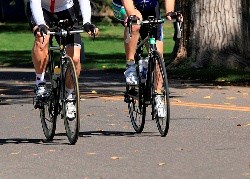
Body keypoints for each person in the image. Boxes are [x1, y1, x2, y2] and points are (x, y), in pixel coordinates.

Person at [26, 0, 99, 118]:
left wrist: (87, 22)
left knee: (75, 58)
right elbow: (35, 2)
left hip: (66, 10)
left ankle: (69, 96)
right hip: (42, 9)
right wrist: (41, 24)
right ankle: (40, 83)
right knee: (42, 37)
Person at [112, 0, 177, 117]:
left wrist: (170, 12)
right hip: (125, 5)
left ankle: (158, 96)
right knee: (135, 23)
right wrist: (132, 14)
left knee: (158, 55)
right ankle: (130, 65)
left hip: (150, 7)